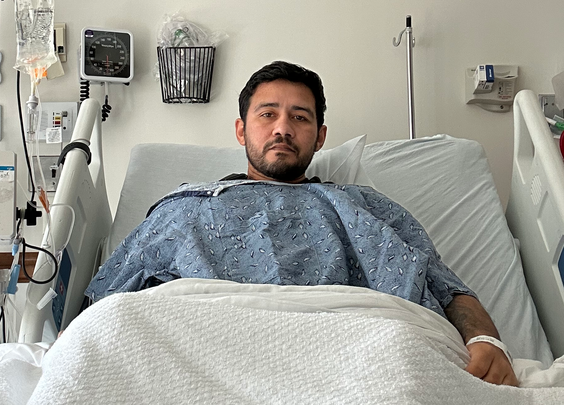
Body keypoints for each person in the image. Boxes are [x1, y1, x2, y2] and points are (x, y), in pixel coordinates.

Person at [85, 61, 518, 387]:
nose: (283, 129)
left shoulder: (364, 205)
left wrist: (487, 341)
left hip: (356, 347)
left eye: (300, 117)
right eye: (267, 114)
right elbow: (107, 300)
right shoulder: (186, 203)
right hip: (199, 342)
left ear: (320, 136)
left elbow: (445, 285)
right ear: (241, 130)